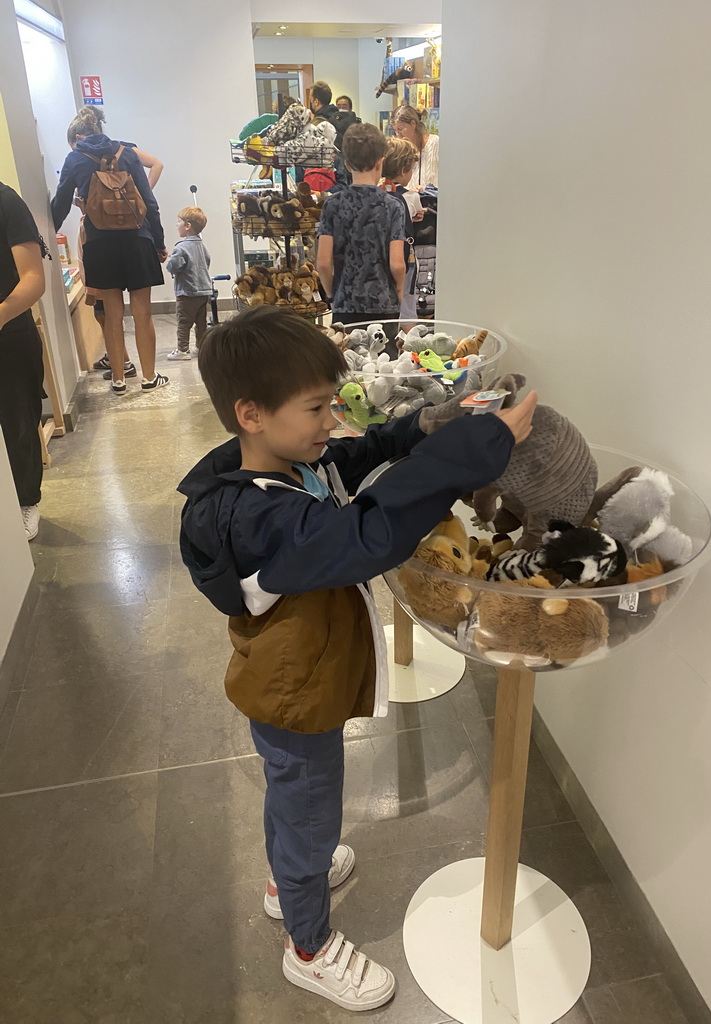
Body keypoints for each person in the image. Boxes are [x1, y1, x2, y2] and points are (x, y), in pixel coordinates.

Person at [177, 305, 538, 1012]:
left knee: (293, 800)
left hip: (297, 681)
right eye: (315, 408)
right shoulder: (265, 517)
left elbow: (347, 458)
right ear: (251, 413)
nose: (329, 421)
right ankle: (307, 947)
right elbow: (369, 534)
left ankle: (288, 882)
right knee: (309, 811)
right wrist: (477, 446)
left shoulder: (277, 467)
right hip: (296, 693)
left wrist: (419, 428)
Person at [51, 107, 168, 395]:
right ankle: (149, 378)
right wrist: (159, 242)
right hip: (137, 239)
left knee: (113, 314)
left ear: (78, 137)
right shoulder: (126, 152)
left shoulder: (75, 158)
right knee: (143, 313)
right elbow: (148, 201)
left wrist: (45, 236)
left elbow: (62, 201)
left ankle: (118, 380)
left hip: (100, 244)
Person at [316, 124, 405, 327]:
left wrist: (332, 294)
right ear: (380, 163)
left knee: (347, 359)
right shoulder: (393, 206)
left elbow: (322, 263)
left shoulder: (332, 205)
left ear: (347, 164)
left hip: (345, 304)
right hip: (384, 304)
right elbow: (397, 264)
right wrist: (398, 292)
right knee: (386, 359)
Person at [0, 182, 47, 540]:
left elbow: (33, 279)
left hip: (10, 338)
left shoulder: (6, 202)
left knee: (18, 425)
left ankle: (25, 501)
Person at [380, 138, 423, 320]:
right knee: (407, 307)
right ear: (404, 170)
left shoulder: (377, 192)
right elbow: (417, 213)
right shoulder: (410, 197)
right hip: (404, 260)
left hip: (381, 258)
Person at [165, 206, 212, 361]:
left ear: (187, 226)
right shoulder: (202, 245)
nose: (176, 225)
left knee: (184, 322)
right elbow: (207, 261)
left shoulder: (181, 247)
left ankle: (182, 350)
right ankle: (200, 347)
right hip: (204, 290)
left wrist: (170, 260)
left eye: (179, 221)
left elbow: (174, 266)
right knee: (201, 322)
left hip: (187, 292)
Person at [392, 103, 439, 189]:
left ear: (413, 124)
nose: (397, 134)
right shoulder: (400, 152)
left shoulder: (435, 143)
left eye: (400, 129)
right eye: (395, 130)